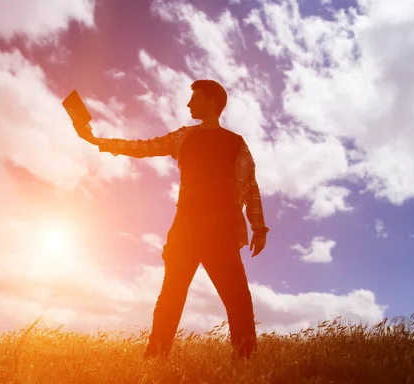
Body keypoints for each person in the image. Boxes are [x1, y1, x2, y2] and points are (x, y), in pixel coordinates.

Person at [74, 79, 269, 360]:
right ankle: (155, 358)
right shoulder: (183, 137)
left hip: (221, 231)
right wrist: (97, 141)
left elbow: (250, 186)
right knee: (171, 296)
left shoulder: (235, 143)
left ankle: (246, 358)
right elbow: (143, 147)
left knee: (237, 299)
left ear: (212, 102)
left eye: (195, 98)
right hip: (186, 230)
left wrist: (259, 228)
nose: (189, 104)